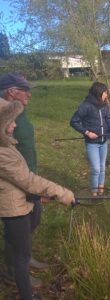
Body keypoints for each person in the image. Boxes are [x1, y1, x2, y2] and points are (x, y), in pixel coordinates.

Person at [0, 100, 75, 300]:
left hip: (18, 202)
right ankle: (27, 296)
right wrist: (62, 193)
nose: (15, 125)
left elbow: (18, 180)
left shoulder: (5, 143)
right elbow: (27, 179)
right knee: (22, 257)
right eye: (11, 121)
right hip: (13, 210)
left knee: (17, 249)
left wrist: (36, 195)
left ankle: (9, 273)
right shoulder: (2, 152)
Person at [0, 73, 50, 286]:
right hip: (14, 180)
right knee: (17, 228)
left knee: (34, 218)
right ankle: (13, 269)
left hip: (29, 175)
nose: (29, 94)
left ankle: (24, 257)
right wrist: (28, 183)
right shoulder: (4, 115)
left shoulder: (21, 113)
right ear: (12, 91)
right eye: (25, 90)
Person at [70, 82, 110, 196]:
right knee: (96, 169)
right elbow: (74, 121)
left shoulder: (104, 106)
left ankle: (101, 191)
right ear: (99, 93)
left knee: (102, 168)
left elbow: (108, 123)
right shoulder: (86, 106)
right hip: (92, 143)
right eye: (105, 93)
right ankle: (94, 193)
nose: (106, 95)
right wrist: (87, 132)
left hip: (104, 142)